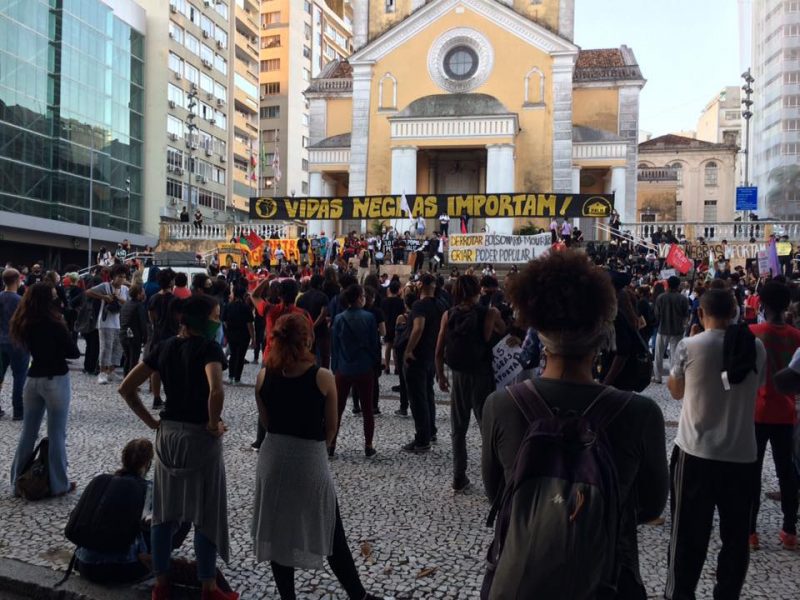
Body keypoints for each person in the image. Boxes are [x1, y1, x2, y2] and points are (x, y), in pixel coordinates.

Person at [481, 250, 668, 598]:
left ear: (537, 329)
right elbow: (651, 505)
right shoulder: (641, 414)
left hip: (519, 580)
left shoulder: (501, 405)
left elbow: (498, 493)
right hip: (608, 579)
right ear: (603, 332)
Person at [251, 313, 381, 600]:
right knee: (331, 530)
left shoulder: (263, 375)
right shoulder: (321, 377)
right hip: (309, 457)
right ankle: (357, 595)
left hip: (273, 457)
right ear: (307, 339)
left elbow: (266, 420)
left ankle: (289, 597)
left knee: (278, 531)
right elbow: (331, 426)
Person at [118, 294, 238, 600]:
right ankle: (208, 587)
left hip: (168, 436)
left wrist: (150, 422)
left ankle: (161, 585)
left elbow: (127, 388)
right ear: (201, 320)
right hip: (199, 437)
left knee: (164, 512)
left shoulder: (165, 346)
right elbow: (216, 389)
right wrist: (213, 423)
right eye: (214, 315)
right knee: (206, 514)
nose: (217, 321)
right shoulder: (209, 348)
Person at [665, 289, 766, 599]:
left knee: (687, 534)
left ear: (700, 313)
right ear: (735, 311)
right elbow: (756, 386)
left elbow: (676, 392)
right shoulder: (756, 347)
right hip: (742, 455)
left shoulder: (689, 346)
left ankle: (680, 594)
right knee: (735, 538)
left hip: (696, 452)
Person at [9, 283, 81, 497]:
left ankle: (17, 481)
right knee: (57, 433)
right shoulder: (55, 323)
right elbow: (74, 352)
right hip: (56, 379)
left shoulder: (24, 321)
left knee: (28, 433)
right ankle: (60, 484)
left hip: (33, 380)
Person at [435, 275, 503, 491]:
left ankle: (458, 476)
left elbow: (438, 350)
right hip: (482, 374)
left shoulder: (448, 315)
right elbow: (498, 333)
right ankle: (492, 478)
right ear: (478, 291)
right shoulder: (489, 313)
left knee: (458, 428)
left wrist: (441, 375)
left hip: (459, 375)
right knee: (486, 428)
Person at [748, 280, 800, 551]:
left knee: (751, 472)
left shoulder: (752, 332)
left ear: (762, 303)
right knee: (787, 473)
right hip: (786, 412)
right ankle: (789, 530)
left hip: (757, 412)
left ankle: (751, 532)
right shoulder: (796, 336)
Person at [330, 284, 381, 458]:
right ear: (359, 298)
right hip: (364, 367)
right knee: (367, 408)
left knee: (337, 408)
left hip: (343, 368)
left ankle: (331, 443)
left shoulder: (338, 318)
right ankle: (368, 444)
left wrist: (335, 366)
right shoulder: (369, 317)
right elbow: (375, 344)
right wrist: (376, 365)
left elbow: (335, 346)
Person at [402, 273, 442, 454]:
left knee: (418, 399)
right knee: (428, 394)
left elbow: (418, 327)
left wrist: (409, 349)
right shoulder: (441, 305)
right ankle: (430, 431)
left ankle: (422, 439)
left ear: (420, 285)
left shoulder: (419, 306)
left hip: (417, 357)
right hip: (431, 355)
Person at [86, 264, 129, 385]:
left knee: (118, 349)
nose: (122, 279)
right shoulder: (105, 286)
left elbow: (129, 302)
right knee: (106, 348)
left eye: (124, 277)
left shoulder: (125, 289)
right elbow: (88, 292)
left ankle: (111, 371)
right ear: (113, 276)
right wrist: (103, 297)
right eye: (120, 276)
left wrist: (119, 299)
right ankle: (102, 373)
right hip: (105, 322)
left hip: (119, 323)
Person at [0, 268, 28, 420]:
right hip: (17, 343)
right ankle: (18, 411)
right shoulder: (21, 301)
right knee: (19, 377)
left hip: (0, 342)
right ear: (17, 281)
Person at [148, 269, 178, 409]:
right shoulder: (175, 300)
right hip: (171, 337)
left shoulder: (154, 298)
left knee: (156, 369)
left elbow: (152, 317)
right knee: (171, 370)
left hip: (157, 336)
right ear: (171, 281)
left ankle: (156, 398)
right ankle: (171, 397)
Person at [653, 276, 690, 384]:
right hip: (677, 329)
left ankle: (657, 377)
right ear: (678, 285)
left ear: (668, 285)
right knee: (675, 355)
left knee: (658, 354)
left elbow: (657, 314)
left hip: (662, 328)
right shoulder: (683, 298)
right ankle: (673, 377)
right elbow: (685, 315)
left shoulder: (661, 297)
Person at [222, 284, 254, 386]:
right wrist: (253, 338)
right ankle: (237, 378)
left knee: (233, 355)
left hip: (231, 334)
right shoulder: (246, 307)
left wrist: (228, 331)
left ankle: (230, 376)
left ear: (234, 293)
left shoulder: (228, 306)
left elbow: (224, 321)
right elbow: (249, 325)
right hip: (244, 335)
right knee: (240, 356)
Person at [120, 284, 148, 377]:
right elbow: (142, 323)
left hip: (123, 334)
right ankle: (131, 384)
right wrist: (145, 337)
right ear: (138, 294)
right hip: (134, 336)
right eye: (143, 292)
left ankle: (125, 379)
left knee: (127, 358)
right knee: (133, 361)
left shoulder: (126, 304)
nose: (144, 294)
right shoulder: (139, 306)